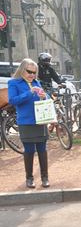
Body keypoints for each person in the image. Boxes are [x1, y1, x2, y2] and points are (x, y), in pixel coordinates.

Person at [8, 58, 50, 188]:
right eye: (29, 71)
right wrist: (29, 93)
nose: (32, 74)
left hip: (41, 120)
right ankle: (29, 178)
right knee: (29, 150)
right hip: (26, 121)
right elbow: (13, 100)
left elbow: (46, 98)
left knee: (42, 149)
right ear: (22, 70)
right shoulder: (14, 83)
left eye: (34, 72)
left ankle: (45, 178)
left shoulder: (37, 82)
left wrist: (44, 96)